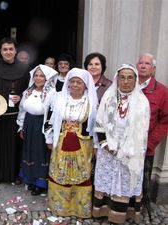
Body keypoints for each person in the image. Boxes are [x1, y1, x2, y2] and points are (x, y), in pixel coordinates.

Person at [92, 64, 150, 224]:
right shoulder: (108, 97)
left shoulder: (142, 102)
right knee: (107, 179)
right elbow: (99, 123)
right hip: (107, 151)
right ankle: (102, 211)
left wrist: (124, 149)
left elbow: (143, 131)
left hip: (130, 152)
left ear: (136, 80)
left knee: (125, 183)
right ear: (117, 80)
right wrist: (105, 145)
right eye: (122, 77)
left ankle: (124, 214)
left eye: (130, 77)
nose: (125, 81)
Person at [45, 68, 98, 218]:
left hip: (82, 146)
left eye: (79, 82)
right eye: (72, 81)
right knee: (61, 173)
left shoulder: (91, 103)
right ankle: (60, 206)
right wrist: (49, 138)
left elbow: (95, 127)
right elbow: (50, 120)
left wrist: (96, 146)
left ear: (85, 85)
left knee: (80, 174)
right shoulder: (60, 99)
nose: (74, 85)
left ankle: (79, 208)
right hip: (61, 143)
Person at [0, 37, 29, 185]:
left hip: (16, 115)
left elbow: (29, 90)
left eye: (11, 49)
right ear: (0, 51)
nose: (8, 52)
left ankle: (14, 174)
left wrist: (21, 97)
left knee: (15, 146)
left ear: (15, 50)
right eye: (5, 49)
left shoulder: (23, 68)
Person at [17, 64, 57, 196]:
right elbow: (22, 109)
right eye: (36, 75)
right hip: (29, 124)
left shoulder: (51, 94)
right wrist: (21, 126)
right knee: (29, 151)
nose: (38, 78)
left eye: (42, 76)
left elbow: (52, 115)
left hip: (42, 126)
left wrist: (49, 133)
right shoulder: (28, 91)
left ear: (47, 78)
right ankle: (30, 178)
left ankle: (41, 183)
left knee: (41, 153)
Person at [136, 53, 168, 216]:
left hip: (146, 146)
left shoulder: (161, 91)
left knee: (143, 179)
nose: (143, 65)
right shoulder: (128, 84)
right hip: (125, 145)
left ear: (153, 69)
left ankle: (140, 207)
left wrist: (151, 142)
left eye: (147, 64)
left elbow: (165, 120)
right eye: (140, 62)